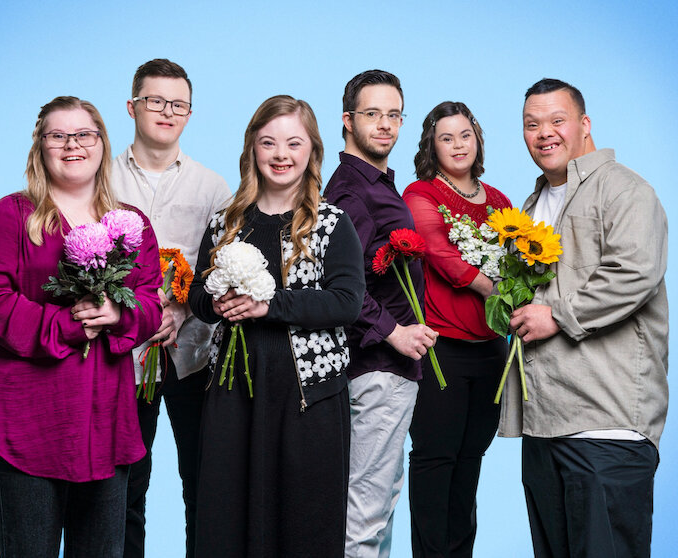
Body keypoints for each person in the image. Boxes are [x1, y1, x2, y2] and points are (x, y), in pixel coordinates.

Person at [0, 96, 163, 558]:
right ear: (41, 146)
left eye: (84, 134)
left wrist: (120, 314)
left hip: (106, 424)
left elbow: (152, 302)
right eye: (58, 135)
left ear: (102, 143)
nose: (72, 144)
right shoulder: (11, 216)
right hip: (27, 425)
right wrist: (68, 323)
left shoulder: (130, 224)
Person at [189, 95, 365, 558]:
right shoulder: (226, 222)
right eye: (268, 142)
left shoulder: (331, 223)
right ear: (252, 148)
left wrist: (268, 306)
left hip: (308, 398)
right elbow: (197, 297)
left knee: (305, 526)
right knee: (227, 520)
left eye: (293, 143)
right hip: (233, 393)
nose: (280, 154)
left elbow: (347, 302)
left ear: (312, 151)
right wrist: (217, 301)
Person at [499, 78, 668, 558]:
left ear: (585, 124)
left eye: (557, 120)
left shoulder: (625, 190)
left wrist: (556, 315)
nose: (544, 133)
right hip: (544, 424)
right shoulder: (531, 205)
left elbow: (636, 271)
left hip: (605, 426)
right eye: (532, 124)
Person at [110, 58, 231, 558]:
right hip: (121, 358)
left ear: (190, 113)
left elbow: (221, 271)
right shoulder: (99, 179)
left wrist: (183, 311)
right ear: (132, 106)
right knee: (124, 488)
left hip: (193, 356)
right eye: (155, 101)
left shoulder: (213, 187)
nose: (167, 112)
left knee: (203, 485)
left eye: (178, 104)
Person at [322, 69, 439, 558]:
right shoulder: (352, 191)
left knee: (379, 505)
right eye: (372, 113)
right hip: (375, 368)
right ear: (347, 120)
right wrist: (394, 332)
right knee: (365, 513)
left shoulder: (376, 184)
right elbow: (339, 283)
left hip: (388, 371)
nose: (385, 124)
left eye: (394, 114)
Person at [402, 101, 512, 557]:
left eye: (465, 135)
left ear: (477, 139)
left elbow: (520, 261)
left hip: (491, 350)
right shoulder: (421, 193)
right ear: (432, 146)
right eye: (446, 138)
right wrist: (494, 289)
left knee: (470, 462)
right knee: (435, 460)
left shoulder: (500, 201)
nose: (458, 145)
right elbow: (439, 253)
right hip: (440, 349)